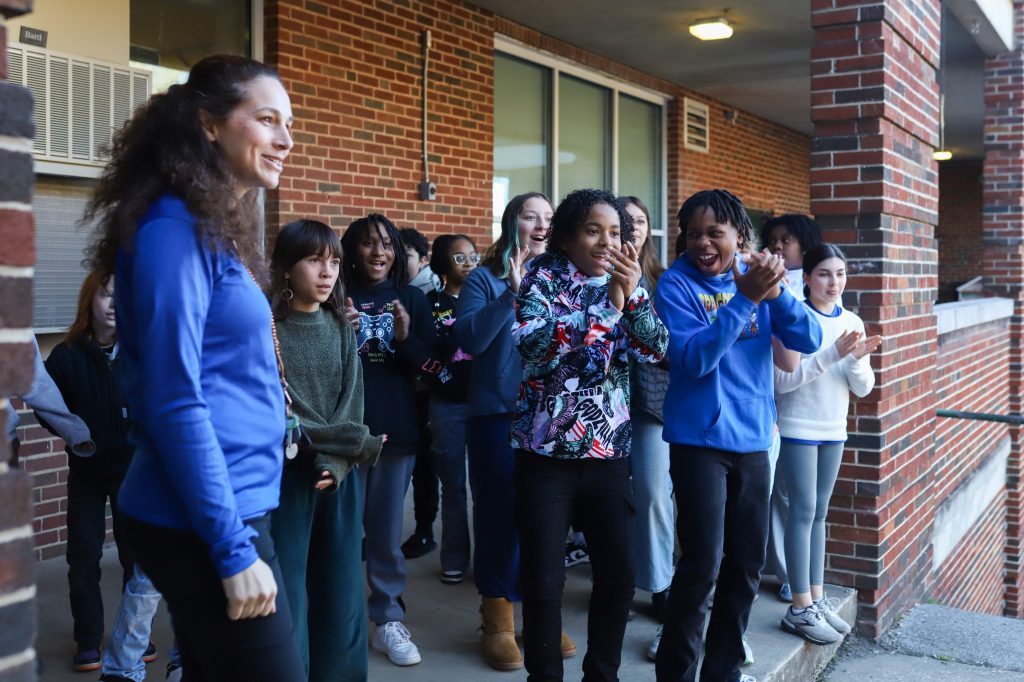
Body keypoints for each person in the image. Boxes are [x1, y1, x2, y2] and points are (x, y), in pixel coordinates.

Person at [85, 54, 305, 680]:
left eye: (289, 123)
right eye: (267, 119)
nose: (285, 139)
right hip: (204, 517)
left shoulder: (214, 225)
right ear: (210, 125)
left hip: (234, 502)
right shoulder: (170, 232)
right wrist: (232, 550)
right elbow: (174, 399)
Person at [653, 189, 822, 682]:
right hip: (697, 444)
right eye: (693, 234)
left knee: (747, 564)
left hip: (752, 441)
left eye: (714, 233)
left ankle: (723, 670)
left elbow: (807, 340)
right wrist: (744, 298)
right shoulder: (675, 286)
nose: (702, 243)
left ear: (738, 236)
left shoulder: (757, 278)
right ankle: (677, 674)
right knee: (702, 565)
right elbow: (695, 359)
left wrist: (774, 295)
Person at [512, 188, 669, 681]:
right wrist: (607, 308)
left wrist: (632, 297)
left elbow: (657, 349)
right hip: (546, 457)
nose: (607, 242)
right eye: (593, 230)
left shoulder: (626, 279)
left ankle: (602, 675)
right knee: (543, 581)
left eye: (616, 232)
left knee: (619, 578)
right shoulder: (542, 276)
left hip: (607, 456)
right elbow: (535, 348)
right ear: (567, 236)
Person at [456, 191, 573, 671]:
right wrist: (513, 292)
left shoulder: (567, 277)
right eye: (531, 216)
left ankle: (538, 618)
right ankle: (498, 619)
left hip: (553, 414)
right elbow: (469, 340)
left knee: (544, 518)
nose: (541, 224)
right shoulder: (485, 279)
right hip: (497, 414)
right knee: (500, 515)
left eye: (549, 217)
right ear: (513, 225)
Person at [268, 219, 385, 680]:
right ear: (286, 268)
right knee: (288, 594)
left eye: (334, 261)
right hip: (287, 475)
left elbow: (350, 406)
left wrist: (337, 460)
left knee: (341, 595)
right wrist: (355, 444)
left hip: (340, 477)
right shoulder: (268, 330)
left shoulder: (340, 326)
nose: (327, 271)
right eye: (314, 260)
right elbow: (284, 413)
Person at [341, 213, 438, 667]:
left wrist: (402, 338)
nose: (378, 252)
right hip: (341, 434)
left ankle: (387, 619)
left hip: (395, 433)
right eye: (367, 244)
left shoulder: (412, 301)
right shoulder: (334, 295)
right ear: (351, 251)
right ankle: (337, 617)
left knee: (383, 536)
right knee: (339, 535)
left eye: (386, 244)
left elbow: (437, 369)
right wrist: (339, 333)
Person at [775, 243, 880, 645]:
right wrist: (833, 354)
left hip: (834, 429)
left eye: (839, 273)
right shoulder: (794, 316)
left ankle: (815, 599)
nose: (833, 282)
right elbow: (783, 382)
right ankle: (799, 606)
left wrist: (853, 359)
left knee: (819, 514)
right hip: (797, 426)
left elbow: (864, 388)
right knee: (801, 512)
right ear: (806, 278)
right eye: (823, 273)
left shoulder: (851, 320)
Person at [34, 272, 138, 674]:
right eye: (106, 295)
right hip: (87, 472)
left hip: (133, 472)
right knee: (82, 557)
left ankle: (135, 634)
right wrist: (74, 434)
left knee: (136, 556)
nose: (114, 304)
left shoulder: (140, 352)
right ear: (88, 301)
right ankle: (87, 638)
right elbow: (49, 409)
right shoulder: (66, 356)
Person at [759, 214, 823, 602]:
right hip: (765, 394)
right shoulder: (758, 281)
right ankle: (773, 567)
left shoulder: (814, 283)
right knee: (766, 493)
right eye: (774, 240)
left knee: (790, 496)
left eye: (789, 239)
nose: (780, 246)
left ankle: (789, 573)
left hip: (800, 402)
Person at [424, 233, 477, 585]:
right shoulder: (429, 303)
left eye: (473, 255)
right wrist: (441, 380)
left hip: (485, 402)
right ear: (444, 265)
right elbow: (423, 351)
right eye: (460, 258)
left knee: (488, 486)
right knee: (453, 485)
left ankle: (490, 557)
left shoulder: (485, 298)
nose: (469, 263)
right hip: (446, 404)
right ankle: (455, 557)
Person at [398, 226, 441, 560]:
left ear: (424, 259)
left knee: (425, 467)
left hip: (426, 392)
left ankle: (424, 531)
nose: (397, 259)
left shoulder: (429, 294)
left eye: (406, 255)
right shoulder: (400, 289)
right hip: (403, 390)